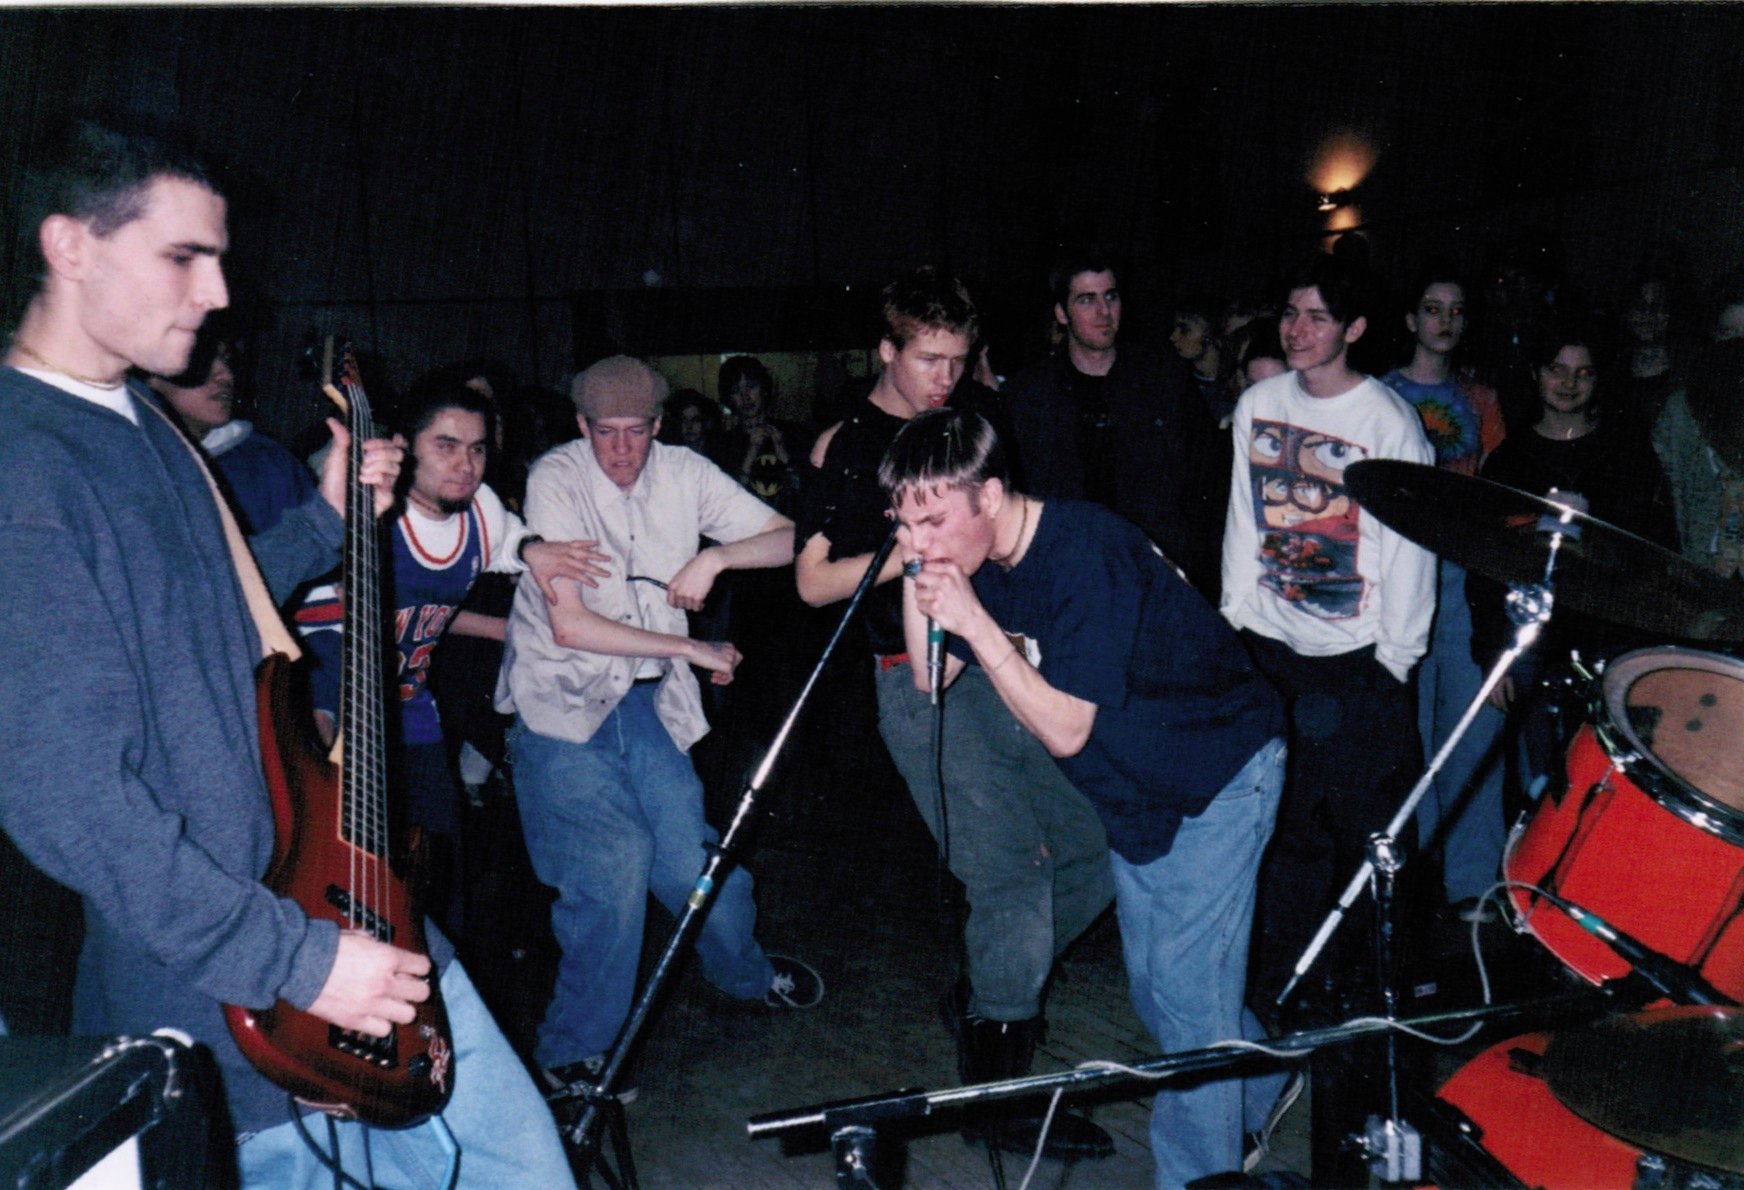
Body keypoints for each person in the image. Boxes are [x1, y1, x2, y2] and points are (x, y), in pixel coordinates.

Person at [0, 116, 573, 1186]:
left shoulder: (136, 422)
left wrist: (324, 518)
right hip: (245, 980)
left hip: (341, 888)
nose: (219, 292)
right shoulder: (24, 465)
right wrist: (295, 959)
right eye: (185, 255)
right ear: (69, 245)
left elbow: (204, 606)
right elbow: (66, 793)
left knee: (523, 1165)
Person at [885, 408, 1288, 1189]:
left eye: (934, 521)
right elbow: (931, 678)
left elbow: (1067, 729)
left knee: (1190, 1008)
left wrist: (975, 621)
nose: (922, 541)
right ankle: (1266, 1077)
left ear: (989, 496)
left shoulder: (1086, 551)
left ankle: (1199, 1177)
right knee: (1159, 988)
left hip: (1218, 774)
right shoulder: (976, 558)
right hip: (1135, 789)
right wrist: (917, 570)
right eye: (905, 524)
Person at [795, 267, 1116, 1161]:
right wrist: (916, 548)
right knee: (1008, 877)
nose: (945, 377)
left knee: (1092, 842)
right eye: (928, 359)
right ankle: (995, 1095)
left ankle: (989, 989)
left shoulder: (972, 420)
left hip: (1002, 654)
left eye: (958, 359)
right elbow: (812, 581)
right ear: (886, 351)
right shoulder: (849, 445)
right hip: (916, 674)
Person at [496, 354, 823, 1095]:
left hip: (645, 703)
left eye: (636, 432)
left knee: (694, 865)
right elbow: (573, 626)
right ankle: (573, 1051)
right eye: (604, 432)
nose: (620, 451)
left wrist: (718, 559)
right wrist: (690, 646)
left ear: (659, 425)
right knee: (613, 864)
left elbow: (791, 536)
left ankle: (746, 975)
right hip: (562, 703)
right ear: (581, 427)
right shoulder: (557, 477)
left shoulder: (684, 473)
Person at [296, 376, 607, 940]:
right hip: (337, 714)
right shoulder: (365, 514)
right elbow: (317, 632)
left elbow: (506, 544)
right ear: (402, 448)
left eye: (477, 448)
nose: (466, 465)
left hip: (410, 711)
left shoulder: (483, 511)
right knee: (341, 880)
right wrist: (321, 731)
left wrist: (532, 555)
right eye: (446, 445)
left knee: (439, 878)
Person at [1220, 255, 1436, 1013]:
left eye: (1317, 316)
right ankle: (1282, 991)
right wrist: (1237, 621)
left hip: (1358, 659)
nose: (1297, 329)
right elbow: (1244, 517)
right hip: (1273, 647)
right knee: (1282, 832)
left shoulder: (1387, 423)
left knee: (1365, 836)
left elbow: (1410, 550)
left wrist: (1396, 660)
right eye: (1291, 313)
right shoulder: (1260, 403)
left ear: (1355, 328)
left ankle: (1366, 997)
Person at [1469, 320, 1678, 817]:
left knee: (1609, 786)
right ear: (1536, 375)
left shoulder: (1627, 455)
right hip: (1533, 646)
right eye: (1557, 370)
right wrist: (1493, 652)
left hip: (1610, 645)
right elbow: (1483, 567)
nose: (1569, 383)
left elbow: (1656, 555)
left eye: (1583, 372)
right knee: (1542, 789)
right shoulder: (1509, 462)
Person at [1380, 268, 1509, 915]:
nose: (1445, 321)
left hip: (1463, 574)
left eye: (1456, 311)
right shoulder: (1380, 395)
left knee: (1472, 727)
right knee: (1409, 732)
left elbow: (1500, 495)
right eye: (1432, 309)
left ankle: (1473, 880)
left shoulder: (1481, 400)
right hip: (1400, 572)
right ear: (1411, 320)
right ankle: (1416, 876)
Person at [1003, 249, 1224, 598]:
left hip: (1159, 573)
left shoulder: (1164, 380)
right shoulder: (1030, 395)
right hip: (1070, 575)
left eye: (1110, 297)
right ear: (1061, 313)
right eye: (1086, 300)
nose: (1103, 312)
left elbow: (1206, 478)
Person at [149, 321, 315, 534]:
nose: (226, 375)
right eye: (201, 360)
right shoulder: (130, 464)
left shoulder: (267, 463)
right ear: (150, 378)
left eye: (226, 359)